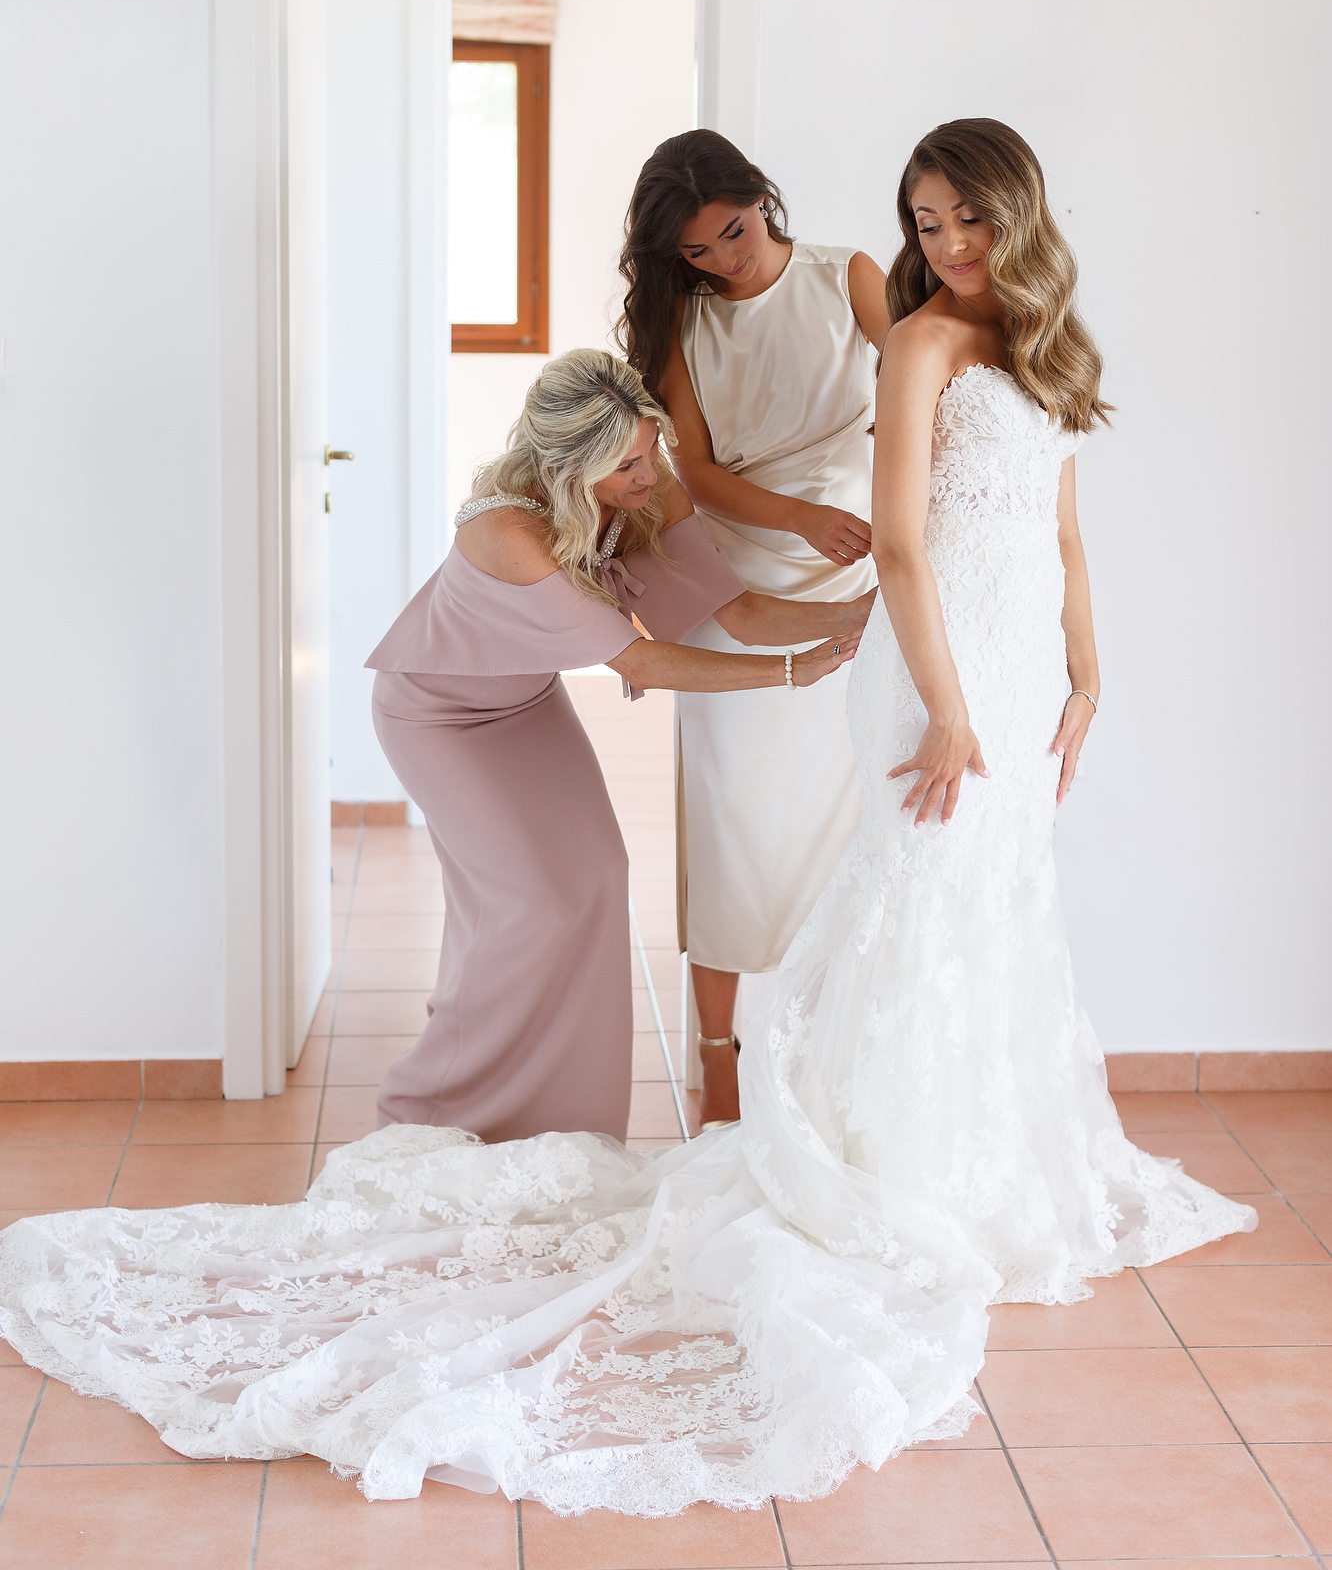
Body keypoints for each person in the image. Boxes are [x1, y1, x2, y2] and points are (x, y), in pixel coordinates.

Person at [0, 122, 1254, 1519]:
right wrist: (890, 684)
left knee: (665, 884)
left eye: (966, 218)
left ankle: (706, 1118)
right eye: (928, 221)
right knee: (599, 897)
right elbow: (726, 623)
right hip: (526, 704)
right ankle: (521, 1109)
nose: (948, 243)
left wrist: (1047, 666)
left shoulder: (953, 366)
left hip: (908, 667)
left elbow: (957, 549)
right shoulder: (559, 516)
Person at [367, 348, 870, 1144]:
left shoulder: (645, 488)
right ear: (569, 465)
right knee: (530, 905)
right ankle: (429, 1107)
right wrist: (790, 672)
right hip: (436, 718)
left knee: (599, 876)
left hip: (524, 705)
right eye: (626, 464)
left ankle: (562, 1123)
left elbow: (738, 613)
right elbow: (638, 661)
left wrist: (864, 613)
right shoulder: (506, 530)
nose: (649, 472)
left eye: (650, 448)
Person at [618, 130, 887, 1125]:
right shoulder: (683, 321)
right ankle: (718, 1058)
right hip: (737, 581)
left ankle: (834, 1050)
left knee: (850, 830)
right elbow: (696, 472)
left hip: (857, 569)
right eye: (697, 250)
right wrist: (799, 516)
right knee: (730, 826)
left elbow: (922, 383)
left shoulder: (846, 276)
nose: (724, 260)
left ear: (760, 200)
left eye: (733, 232)